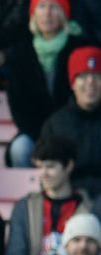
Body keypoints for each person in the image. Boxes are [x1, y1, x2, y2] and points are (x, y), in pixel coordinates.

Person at [5, 0, 86, 167]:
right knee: (20, 148)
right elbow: (18, 106)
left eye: (54, 7)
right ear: (33, 14)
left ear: (64, 14)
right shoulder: (19, 52)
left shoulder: (79, 48)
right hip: (35, 132)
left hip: (73, 128)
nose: (47, 13)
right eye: (41, 6)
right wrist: (44, 137)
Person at [41, 45, 101, 197]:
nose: (90, 82)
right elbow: (47, 173)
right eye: (82, 76)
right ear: (73, 83)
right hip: (69, 199)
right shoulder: (56, 124)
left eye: (97, 76)